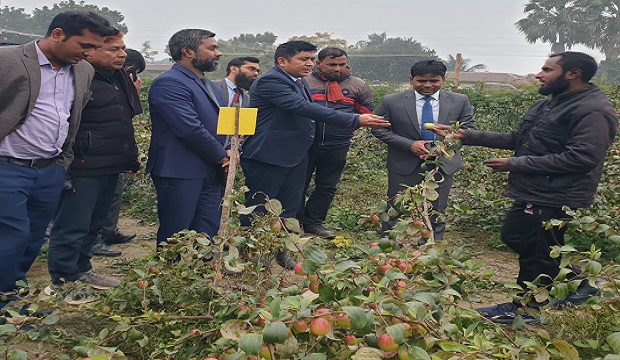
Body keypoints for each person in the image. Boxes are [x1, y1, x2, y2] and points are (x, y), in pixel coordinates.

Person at [431, 52, 618, 323]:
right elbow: (520, 139)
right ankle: (579, 286)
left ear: (572, 73)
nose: (539, 74)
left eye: (547, 69)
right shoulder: (553, 103)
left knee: (536, 247)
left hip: (557, 192)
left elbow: (582, 158)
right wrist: (467, 135)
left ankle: (525, 309)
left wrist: (516, 164)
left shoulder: (592, 110)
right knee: (518, 237)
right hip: (538, 189)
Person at [0, 11, 116, 309]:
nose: (89, 53)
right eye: (85, 45)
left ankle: (12, 294)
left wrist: (61, 163)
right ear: (57, 34)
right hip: (7, 166)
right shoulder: (8, 60)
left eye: (95, 47)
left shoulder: (82, 71)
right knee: (12, 235)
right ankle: (6, 302)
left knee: (33, 238)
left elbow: (69, 116)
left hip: (50, 169)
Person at [240, 41, 389, 268]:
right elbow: (304, 108)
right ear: (282, 61)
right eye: (303, 59)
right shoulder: (271, 81)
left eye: (311, 59)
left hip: (296, 154)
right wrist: (355, 119)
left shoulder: (297, 81)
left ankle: (283, 251)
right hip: (269, 155)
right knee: (260, 205)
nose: (310, 63)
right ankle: (251, 253)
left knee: (290, 206)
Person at [46, 33, 142, 302]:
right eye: (113, 50)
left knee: (94, 223)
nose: (122, 54)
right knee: (73, 224)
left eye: (122, 49)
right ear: (89, 52)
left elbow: (123, 122)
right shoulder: (74, 78)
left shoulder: (119, 77)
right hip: (82, 163)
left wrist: (130, 158)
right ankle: (63, 280)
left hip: (110, 162)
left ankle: (83, 268)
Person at [372, 60, 476, 244]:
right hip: (403, 164)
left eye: (434, 81)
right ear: (411, 80)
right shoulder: (392, 101)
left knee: (437, 209)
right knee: (396, 206)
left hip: (442, 165)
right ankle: (388, 247)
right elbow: (379, 129)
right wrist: (410, 145)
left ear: (443, 80)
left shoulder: (460, 101)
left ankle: (430, 247)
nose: (427, 85)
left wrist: (445, 147)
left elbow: (469, 132)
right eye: (421, 81)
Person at [147, 29, 230, 246]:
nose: (218, 53)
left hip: (210, 167)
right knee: (176, 229)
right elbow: (188, 128)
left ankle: (201, 268)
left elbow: (220, 124)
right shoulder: (170, 83)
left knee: (207, 224)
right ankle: (169, 273)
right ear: (188, 51)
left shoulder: (208, 84)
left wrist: (231, 149)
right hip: (180, 169)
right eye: (211, 48)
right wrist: (222, 156)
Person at [297, 48, 374, 239]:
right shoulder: (303, 83)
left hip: (337, 144)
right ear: (319, 64)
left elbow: (366, 115)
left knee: (327, 186)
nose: (338, 69)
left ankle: (313, 223)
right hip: (304, 144)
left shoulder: (358, 86)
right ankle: (294, 220)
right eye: (332, 64)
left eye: (342, 64)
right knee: (298, 183)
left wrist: (345, 130)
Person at [90, 48, 146, 257]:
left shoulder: (116, 81)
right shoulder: (99, 81)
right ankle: (93, 240)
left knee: (113, 193)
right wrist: (131, 92)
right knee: (93, 200)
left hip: (115, 151)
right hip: (96, 152)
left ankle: (107, 231)